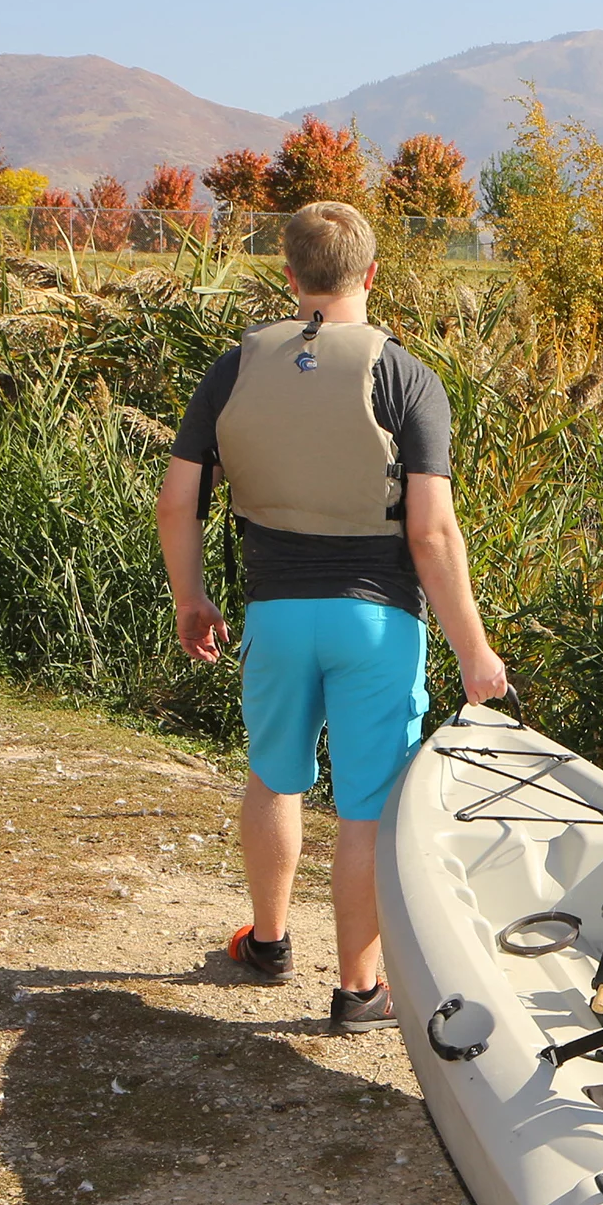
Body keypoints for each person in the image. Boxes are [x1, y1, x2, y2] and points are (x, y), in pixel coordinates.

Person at [155, 201, 507, 1032]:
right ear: (370, 275)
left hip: (275, 615)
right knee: (367, 807)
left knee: (274, 775)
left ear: (290, 276)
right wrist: (474, 652)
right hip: (377, 625)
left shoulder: (233, 368)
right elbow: (429, 530)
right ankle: (358, 991)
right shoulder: (408, 376)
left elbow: (178, 504)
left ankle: (268, 944)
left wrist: (190, 598)